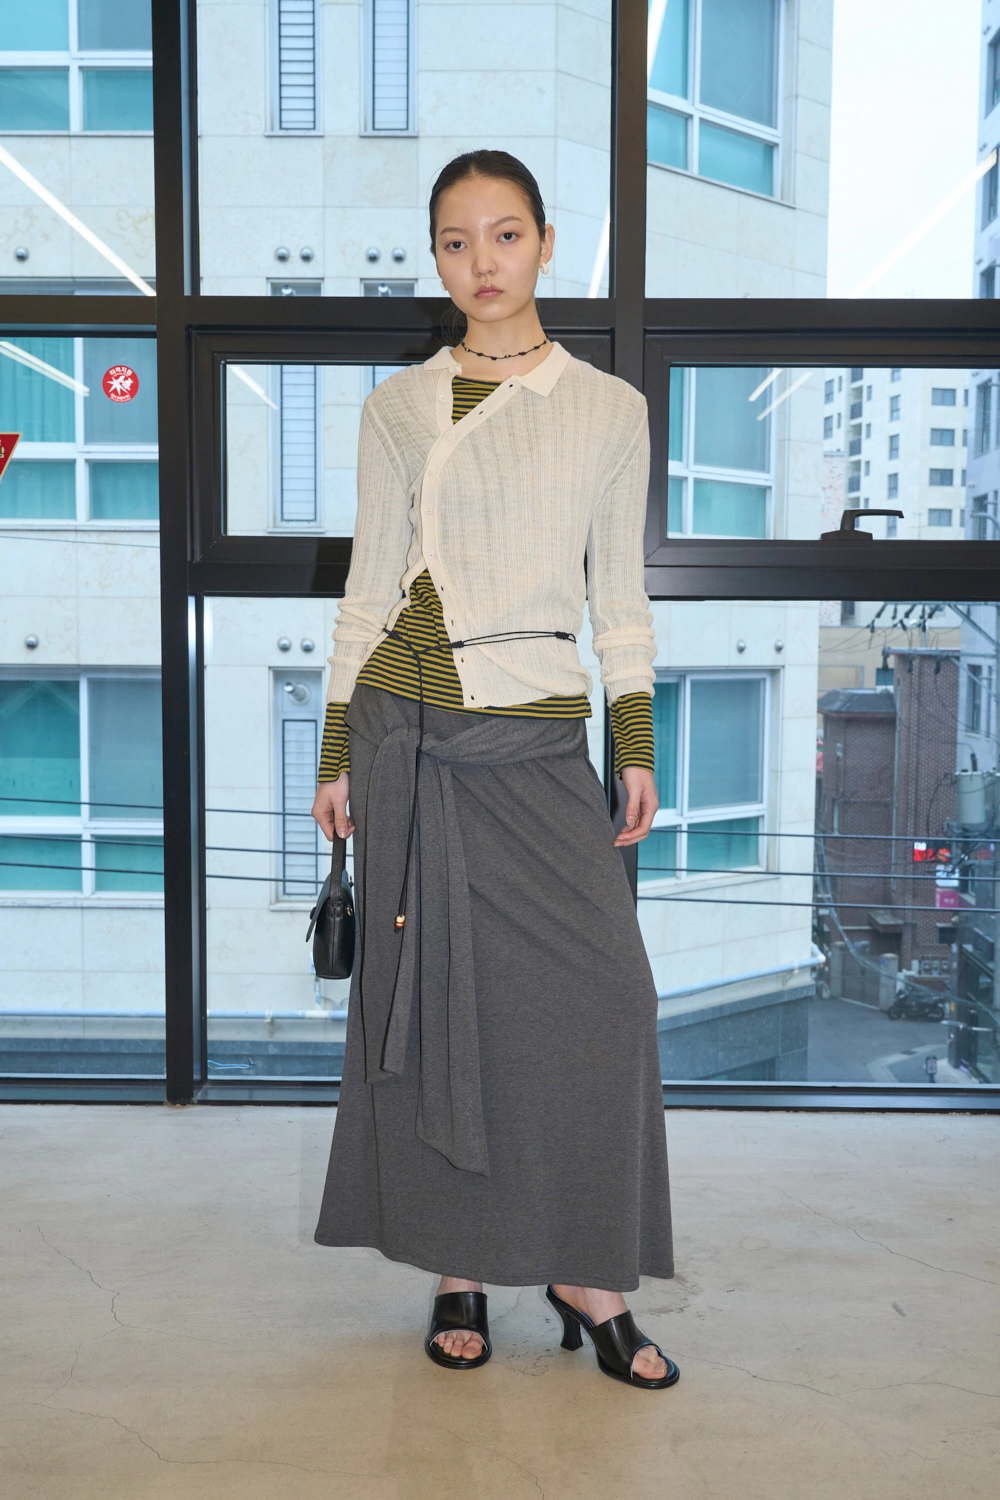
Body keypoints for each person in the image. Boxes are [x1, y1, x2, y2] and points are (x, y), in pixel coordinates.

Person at [311, 150, 678, 1390]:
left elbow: (616, 596)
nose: (482, 261)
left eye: (504, 234)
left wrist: (633, 741)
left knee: (609, 1003)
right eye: (457, 241)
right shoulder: (398, 409)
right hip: (406, 732)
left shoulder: (605, 409)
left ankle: (586, 1271)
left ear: (545, 243)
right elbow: (370, 587)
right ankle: (455, 1267)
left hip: (534, 738)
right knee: (430, 1015)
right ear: (437, 257)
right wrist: (333, 753)